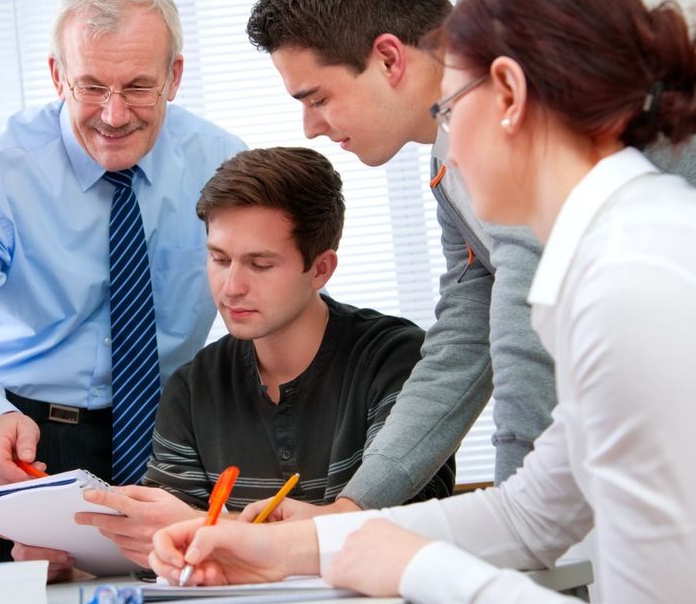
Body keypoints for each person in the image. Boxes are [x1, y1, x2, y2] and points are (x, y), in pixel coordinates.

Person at [148, 0, 696, 601]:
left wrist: (407, 566)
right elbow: (529, 512)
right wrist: (297, 544)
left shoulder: (633, 283)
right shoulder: (611, 260)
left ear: (510, 98)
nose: (444, 156)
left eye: (451, 110)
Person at [0, 0, 246, 568]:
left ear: (175, 76)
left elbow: (264, 303)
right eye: (91, 86)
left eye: (140, 86)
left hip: (165, 433)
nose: (114, 115)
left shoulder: (223, 166)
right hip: (17, 436)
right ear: (57, 74)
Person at [75, 147, 454, 567]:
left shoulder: (394, 359)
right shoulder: (193, 386)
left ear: (321, 269)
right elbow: (170, 550)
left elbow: (407, 528)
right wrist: (73, 557)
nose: (231, 286)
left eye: (259, 264)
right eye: (219, 259)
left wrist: (206, 528)